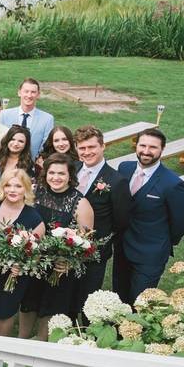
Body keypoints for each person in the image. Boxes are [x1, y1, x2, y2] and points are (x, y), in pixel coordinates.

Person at [19, 154, 95, 340]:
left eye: (61, 173)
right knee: (27, 303)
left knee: (50, 308)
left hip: (59, 270)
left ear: (71, 175)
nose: (56, 177)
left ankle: (41, 346)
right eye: (51, 172)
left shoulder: (80, 203)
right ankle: (21, 342)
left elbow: (87, 244)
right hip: (34, 263)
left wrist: (70, 262)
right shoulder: (35, 193)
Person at [115, 128, 184, 304]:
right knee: (119, 298)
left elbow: (181, 222)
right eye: (142, 145)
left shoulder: (173, 184)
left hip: (151, 254)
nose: (146, 151)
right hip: (122, 248)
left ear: (162, 150)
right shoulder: (124, 168)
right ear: (136, 146)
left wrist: (161, 243)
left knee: (141, 302)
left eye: (153, 147)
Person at [0, 169, 45, 337]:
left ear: (26, 189)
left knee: (4, 313)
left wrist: (21, 265)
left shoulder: (34, 219)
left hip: (14, 275)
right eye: (8, 185)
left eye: (18, 186)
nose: (12, 190)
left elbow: (36, 255)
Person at [71, 125, 131, 318]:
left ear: (103, 146)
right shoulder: (74, 168)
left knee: (87, 299)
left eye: (91, 147)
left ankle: (87, 336)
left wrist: (99, 239)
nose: (87, 152)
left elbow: (121, 220)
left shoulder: (116, 180)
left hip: (94, 250)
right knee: (67, 294)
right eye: (82, 148)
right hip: (65, 245)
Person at [0, 78, 55, 159]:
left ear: (38, 94)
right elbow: (1, 140)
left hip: (33, 165)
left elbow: (46, 145)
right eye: (26, 91)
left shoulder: (47, 119)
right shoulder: (4, 115)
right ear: (19, 93)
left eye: (33, 92)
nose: (29, 95)